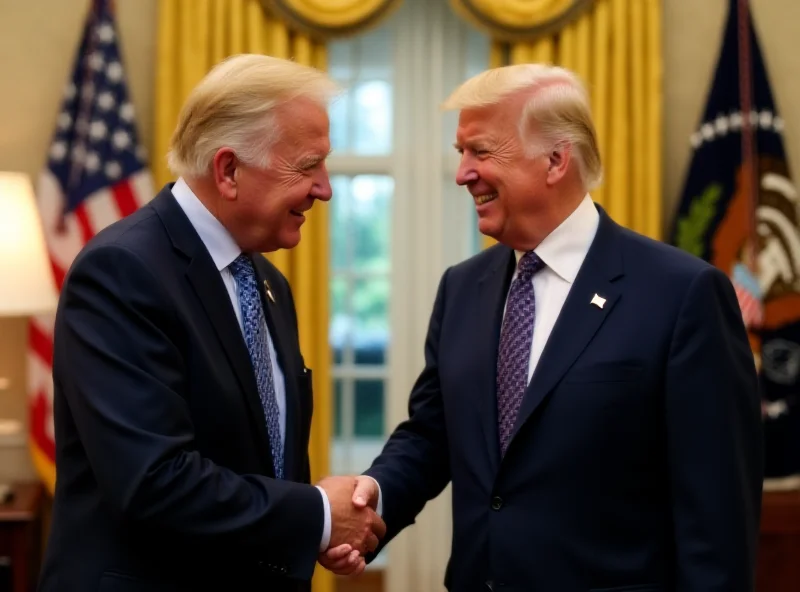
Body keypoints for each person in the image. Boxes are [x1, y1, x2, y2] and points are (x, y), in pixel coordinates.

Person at [322, 64, 763, 591]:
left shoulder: (682, 294)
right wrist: (371, 499)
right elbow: (433, 434)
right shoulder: (463, 288)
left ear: (556, 159)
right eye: (461, 153)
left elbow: (716, 513)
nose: (462, 173)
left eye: (480, 152)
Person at [39, 54, 384, 592]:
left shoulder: (269, 283)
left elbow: (264, 459)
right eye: (307, 165)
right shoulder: (123, 272)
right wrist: (315, 515)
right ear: (227, 170)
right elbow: (153, 480)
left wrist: (314, 532)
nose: (325, 188)